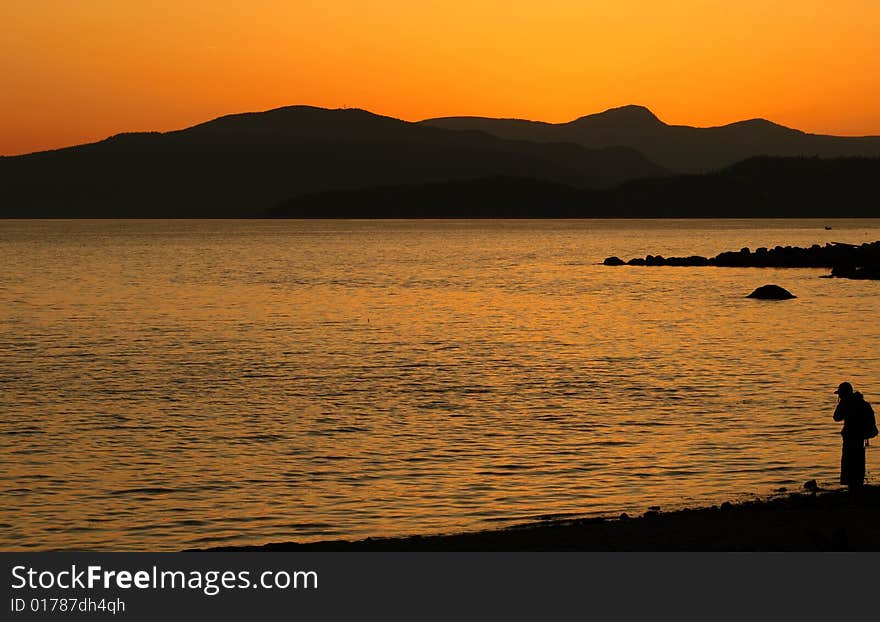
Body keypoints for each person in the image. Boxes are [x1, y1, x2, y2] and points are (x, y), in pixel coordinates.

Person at [832, 382, 876, 490]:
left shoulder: (846, 404)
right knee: (858, 467)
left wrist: (842, 403)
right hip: (860, 440)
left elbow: (836, 417)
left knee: (849, 467)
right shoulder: (864, 404)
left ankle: (853, 494)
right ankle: (857, 490)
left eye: (840, 394)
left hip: (850, 440)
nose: (839, 397)